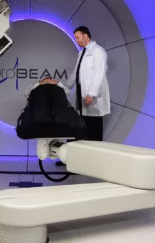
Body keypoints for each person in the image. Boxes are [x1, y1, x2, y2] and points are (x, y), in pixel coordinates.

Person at [39, 26, 110, 164]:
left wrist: (91, 94)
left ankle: (94, 163)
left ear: (85, 36)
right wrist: (63, 87)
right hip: (82, 97)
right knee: (75, 128)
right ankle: (71, 159)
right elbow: (75, 74)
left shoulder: (98, 51)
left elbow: (99, 74)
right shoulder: (82, 53)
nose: (76, 41)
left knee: (94, 131)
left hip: (93, 98)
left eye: (77, 37)